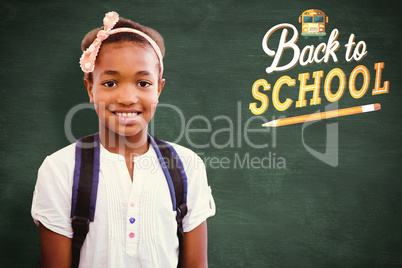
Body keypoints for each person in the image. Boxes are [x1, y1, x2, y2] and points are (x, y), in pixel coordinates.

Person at [31, 11, 215, 267]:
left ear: (159, 88)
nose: (127, 97)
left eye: (142, 83)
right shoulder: (60, 169)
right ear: (90, 88)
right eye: (110, 83)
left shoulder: (187, 165)